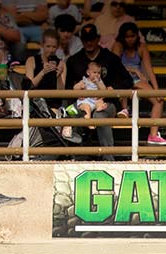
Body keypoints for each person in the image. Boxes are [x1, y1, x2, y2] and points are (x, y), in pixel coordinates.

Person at [65, 23, 133, 161]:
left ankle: (108, 159)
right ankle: (78, 159)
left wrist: (111, 89)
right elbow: (68, 88)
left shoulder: (111, 58)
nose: (89, 42)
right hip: (82, 102)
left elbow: (127, 81)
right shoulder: (74, 60)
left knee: (100, 115)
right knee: (75, 115)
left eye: (92, 39)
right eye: (85, 39)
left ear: (98, 39)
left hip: (107, 103)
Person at [111, 21, 166, 145]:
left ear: (137, 36)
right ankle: (124, 109)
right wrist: (134, 70)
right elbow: (115, 67)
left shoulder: (141, 47)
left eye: (132, 36)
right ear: (122, 37)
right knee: (125, 82)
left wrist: (157, 90)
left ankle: (153, 135)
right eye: (127, 37)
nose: (130, 39)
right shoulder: (117, 45)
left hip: (137, 81)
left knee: (159, 100)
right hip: (120, 79)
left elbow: (149, 70)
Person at [24, 28, 65, 111]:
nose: (51, 50)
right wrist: (42, 72)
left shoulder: (61, 63)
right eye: (48, 46)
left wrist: (59, 75)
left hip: (54, 105)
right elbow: (29, 87)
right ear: (42, 45)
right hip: (35, 104)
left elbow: (61, 92)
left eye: (54, 47)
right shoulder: (31, 60)